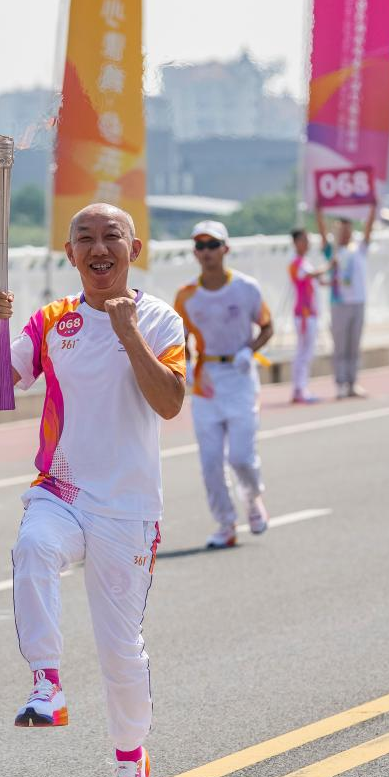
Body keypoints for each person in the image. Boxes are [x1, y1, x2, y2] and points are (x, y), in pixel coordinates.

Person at [0, 203, 186, 777]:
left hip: (128, 507)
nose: (99, 249)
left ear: (134, 247)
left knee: (121, 651)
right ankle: (47, 683)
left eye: (111, 237)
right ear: (70, 255)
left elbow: (171, 403)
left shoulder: (160, 318)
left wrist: (128, 335)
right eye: (85, 240)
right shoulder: (50, 321)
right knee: (33, 549)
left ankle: (130, 761)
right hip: (63, 488)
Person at [174, 221, 274, 550]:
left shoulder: (246, 288)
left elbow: (267, 326)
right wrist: (185, 364)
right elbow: (180, 338)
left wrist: (250, 350)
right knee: (211, 461)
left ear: (225, 249)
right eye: (199, 246)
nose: (206, 252)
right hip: (207, 384)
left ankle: (253, 499)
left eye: (212, 245)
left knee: (242, 458)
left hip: (241, 378)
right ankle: (225, 523)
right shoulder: (187, 296)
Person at [316, 204, 376, 399]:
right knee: (340, 345)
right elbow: (322, 233)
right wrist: (319, 211)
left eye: (348, 229)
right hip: (339, 302)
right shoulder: (332, 252)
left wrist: (372, 208)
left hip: (358, 301)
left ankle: (353, 382)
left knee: (354, 344)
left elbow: (369, 229)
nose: (345, 232)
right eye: (342, 229)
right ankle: (341, 383)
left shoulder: (359, 249)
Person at [288, 229, 325, 404]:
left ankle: (300, 388)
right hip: (303, 314)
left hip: (310, 313)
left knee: (306, 352)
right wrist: (331, 264)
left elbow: (317, 280)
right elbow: (313, 274)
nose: (307, 243)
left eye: (308, 240)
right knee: (303, 353)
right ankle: (299, 389)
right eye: (304, 240)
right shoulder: (296, 263)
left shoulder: (305, 262)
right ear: (295, 242)